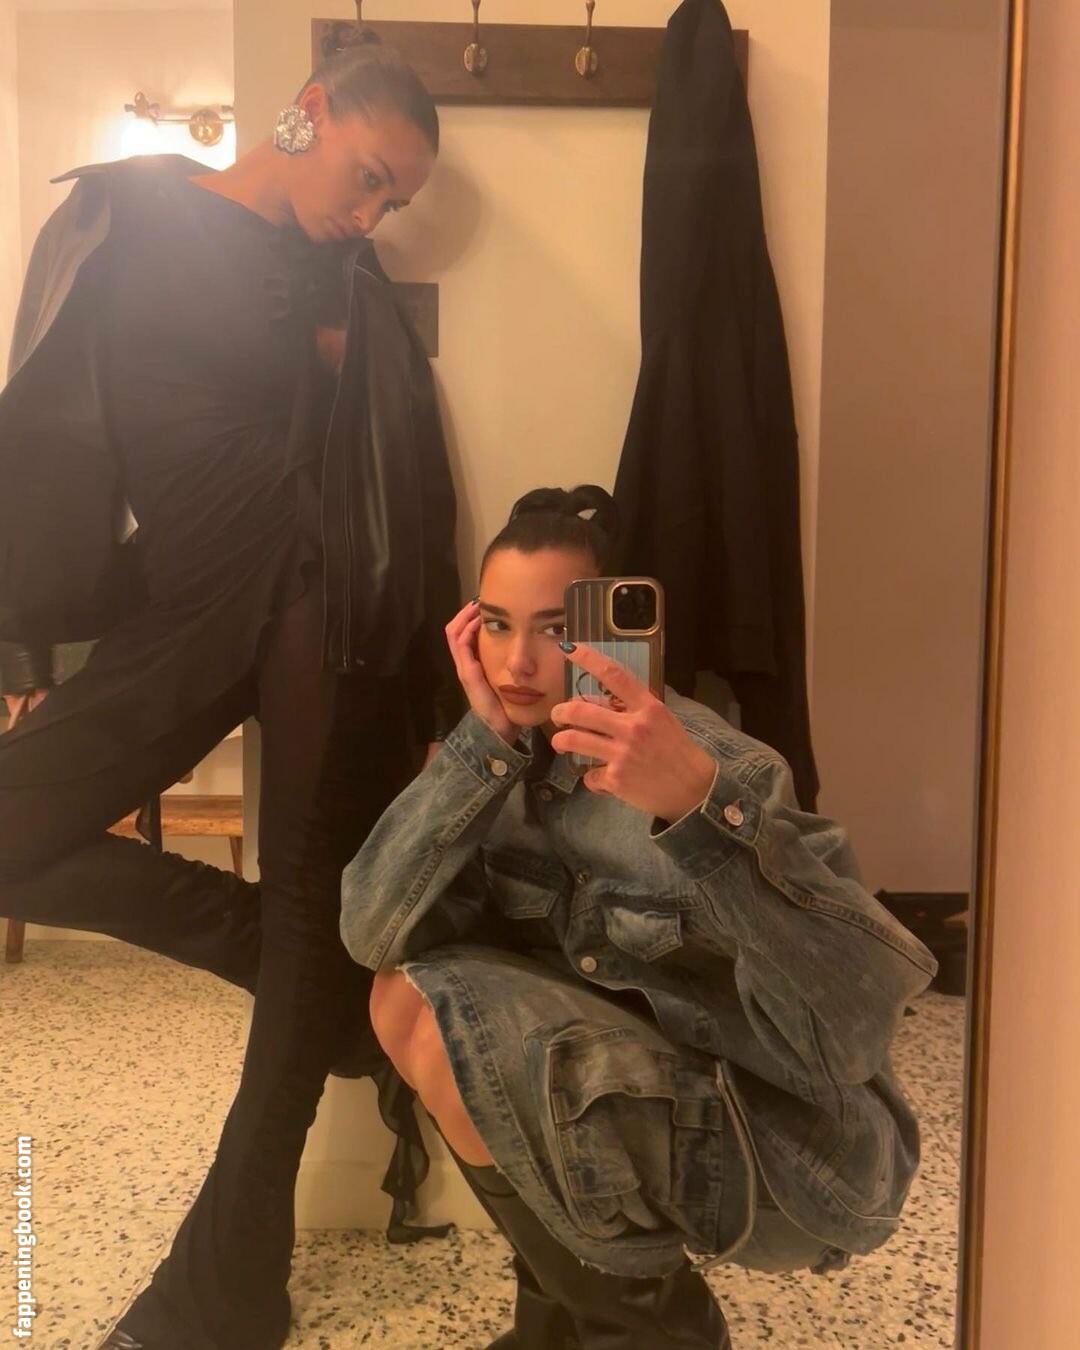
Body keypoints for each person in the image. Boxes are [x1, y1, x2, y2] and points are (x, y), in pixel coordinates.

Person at [0, 39, 462, 1350]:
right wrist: (27, 653)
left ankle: (225, 1289)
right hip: (183, 605)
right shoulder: (124, 218)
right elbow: (43, 437)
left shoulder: (343, 285)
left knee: (314, 896)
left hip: (317, 607)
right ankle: (308, 973)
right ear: (307, 113)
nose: (370, 212)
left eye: (394, 200)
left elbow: (396, 476)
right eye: (369, 176)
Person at [339, 486, 939, 1349]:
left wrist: (699, 813)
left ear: (615, 632)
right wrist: (478, 749)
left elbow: (845, 1040)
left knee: (447, 1029)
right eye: (497, 625)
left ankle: (661, 1332)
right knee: (405, 998)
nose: (517, 662)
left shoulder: (719, 768)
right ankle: (565, 1322)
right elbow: (369, 931)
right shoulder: (498, 758)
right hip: (628, 1104)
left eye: (555, 629)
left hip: (794, 1153)